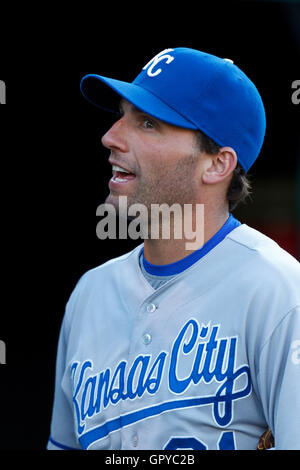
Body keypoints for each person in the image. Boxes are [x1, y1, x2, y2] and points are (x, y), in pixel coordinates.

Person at [47, 48, 300, 450]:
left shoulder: (279, 292)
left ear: (217, 164)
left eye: (147, 123)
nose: (110, 137)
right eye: (121, 114)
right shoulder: (89, 294)